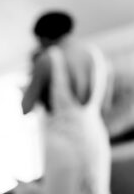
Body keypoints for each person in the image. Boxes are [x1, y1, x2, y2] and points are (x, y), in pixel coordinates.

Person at [21, 11, 111, 194]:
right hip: (95, 138)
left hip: (62, 145)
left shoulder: (46, 60)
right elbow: (105, 106)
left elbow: (26, 106)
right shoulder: (96, 54)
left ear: (44, 37)